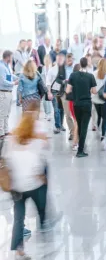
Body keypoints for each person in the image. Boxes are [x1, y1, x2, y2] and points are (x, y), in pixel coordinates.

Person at [3, 105, 48, 260]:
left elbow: (6, 160)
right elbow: (38, 166)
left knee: (18, 218)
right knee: (41, 208)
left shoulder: (11, 140)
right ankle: (44, 226)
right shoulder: (35, 143)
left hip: (17, 187)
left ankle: (18, 249)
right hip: (32, 186)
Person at [65, 57, 97, 158]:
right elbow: (94, 91)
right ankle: (80, 150)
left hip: (76, 104)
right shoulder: (90, 76)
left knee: (79, 124)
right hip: (86, 104)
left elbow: (68, 90)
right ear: (87, 64)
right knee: (84, 127)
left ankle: (79, 146)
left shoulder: (73, 75)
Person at [46, 52, 75, 137]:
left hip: (63, 91)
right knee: (56, 109)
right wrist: (49, 92)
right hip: (54, 91)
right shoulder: (52, 70)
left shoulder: (66, 69)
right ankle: (57, 126)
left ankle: (61, 125)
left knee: (62, 109)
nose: (60, 60)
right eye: (58, 58)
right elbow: (48, 82)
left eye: (61, 59)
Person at [92, 58, 106, 148]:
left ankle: (98, 130)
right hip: (105, 99)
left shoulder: (94, 73)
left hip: (95, 98)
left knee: (99, 116)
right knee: (105, 118)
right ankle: (103, 135)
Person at [0, 51, 18, 140]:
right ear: (7, 57)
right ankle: (1, 132)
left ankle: (6, 130)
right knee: (2, 113)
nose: (12, 59)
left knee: (7, 113)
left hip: (9, 92)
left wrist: (19, 77)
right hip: (3, 93)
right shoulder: (1, 67)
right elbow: (3, 81)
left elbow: (10, 76)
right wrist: (14, 83)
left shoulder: (7, 66)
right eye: (11, 57)